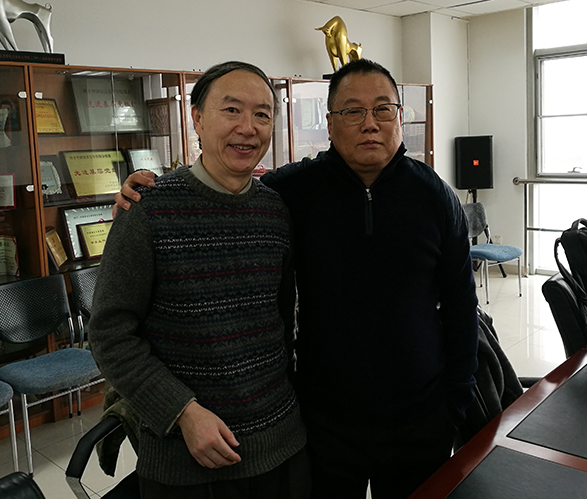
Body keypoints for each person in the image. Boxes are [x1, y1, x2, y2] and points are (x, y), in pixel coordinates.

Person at [116, 59, 479, 499]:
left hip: (420, 420)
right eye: (352, 111)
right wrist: (144, 190)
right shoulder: (292, 192)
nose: (370, 123)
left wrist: (454, 408)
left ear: (400, 117)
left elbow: (462, 307)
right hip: (322, 423)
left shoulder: (435, 197)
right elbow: (224, 189)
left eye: (383, 109)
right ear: (330, 123)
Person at [89, 61, 308, 499]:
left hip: (282, 446)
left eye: (262, 114)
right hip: (185, 462)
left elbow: (279, 323)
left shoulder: (275, 211)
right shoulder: (148, 211)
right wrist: (182, 412)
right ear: (197, 118)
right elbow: (110, 334)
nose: (248, 128)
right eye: (232, 110)